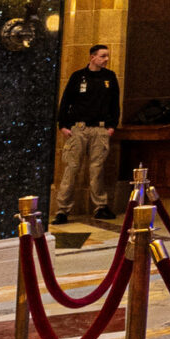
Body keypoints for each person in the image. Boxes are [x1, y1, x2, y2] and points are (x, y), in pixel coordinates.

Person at [52, 44, 121, 220]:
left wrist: (112, 126)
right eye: (103, 56)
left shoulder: (110, 77)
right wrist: (63, 125)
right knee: (72, 168)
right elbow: (66, 100)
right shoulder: (78, 77)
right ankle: (62, 209)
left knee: (97, 169)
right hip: (79, 128)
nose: (106, 59)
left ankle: (100, 206)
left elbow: (114, 104)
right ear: (92, 57)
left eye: (107, 56)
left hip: (100, 128)